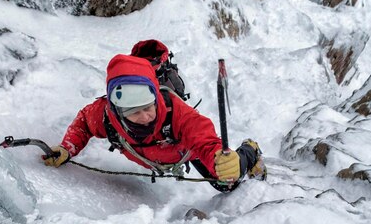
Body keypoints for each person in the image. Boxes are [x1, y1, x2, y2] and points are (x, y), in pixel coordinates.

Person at [43, 49, 266, 191]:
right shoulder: (106, 115)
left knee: (226, 181)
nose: (144, 117)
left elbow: (204, 140)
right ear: (118, 110)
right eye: (134, 112)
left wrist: (221, 161)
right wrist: (67, 148)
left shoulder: (176, 112)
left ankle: (250, 150)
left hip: (186, 151)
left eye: (148, 108)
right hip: (160, 156)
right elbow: (84, 121)